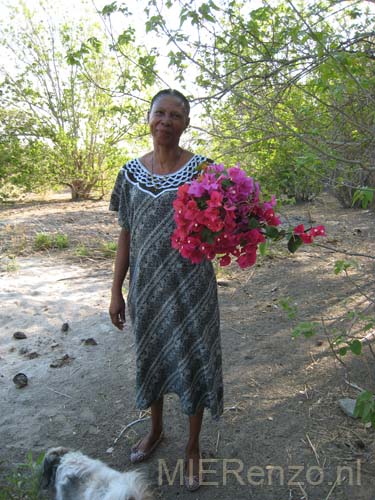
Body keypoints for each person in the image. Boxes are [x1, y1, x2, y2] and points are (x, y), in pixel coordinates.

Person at [109, 89, 223, 491]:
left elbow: (226, 225)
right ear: (149, 117)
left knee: (194, 360)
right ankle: (156, 430)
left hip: (193, 289)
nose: (166, 121)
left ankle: (192, 447)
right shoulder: (129, 174)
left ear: (186, 123)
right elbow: (126, 233)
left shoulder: (206, 171)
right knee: (152, 357)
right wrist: (116, 291)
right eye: (160, 113)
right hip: (147, 288)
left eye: (176, 115)